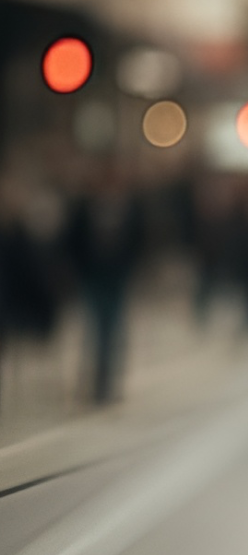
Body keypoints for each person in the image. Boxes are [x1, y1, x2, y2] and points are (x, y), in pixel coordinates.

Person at [66, 160, 143, 406]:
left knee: (113, 329)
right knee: (95, 329)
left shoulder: (130, 208)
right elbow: (73, 240)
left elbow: (138, 241)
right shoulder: (84, 207)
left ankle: (108, 381)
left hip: (116, 277)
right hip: (92, 277)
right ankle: (96, 381)